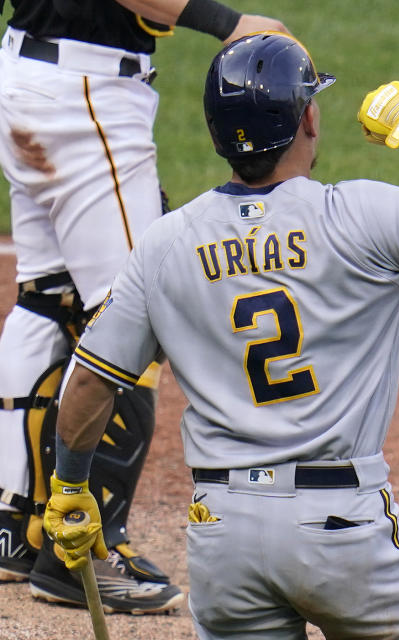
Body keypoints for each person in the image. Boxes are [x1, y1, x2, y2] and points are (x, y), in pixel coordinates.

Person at [42, 32, 399, 638]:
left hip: (222, 535)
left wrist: (68, 485)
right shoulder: (357, 216)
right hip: (341, 528)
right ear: (308, 120)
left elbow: (92, 378)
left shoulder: (165, 244)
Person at [0, 0, 290, 614]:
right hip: (89, 94)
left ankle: (16, 524)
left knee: (47, 298)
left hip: (27, 73)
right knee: (137, 315)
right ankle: (84, 551)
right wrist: (227, 24)